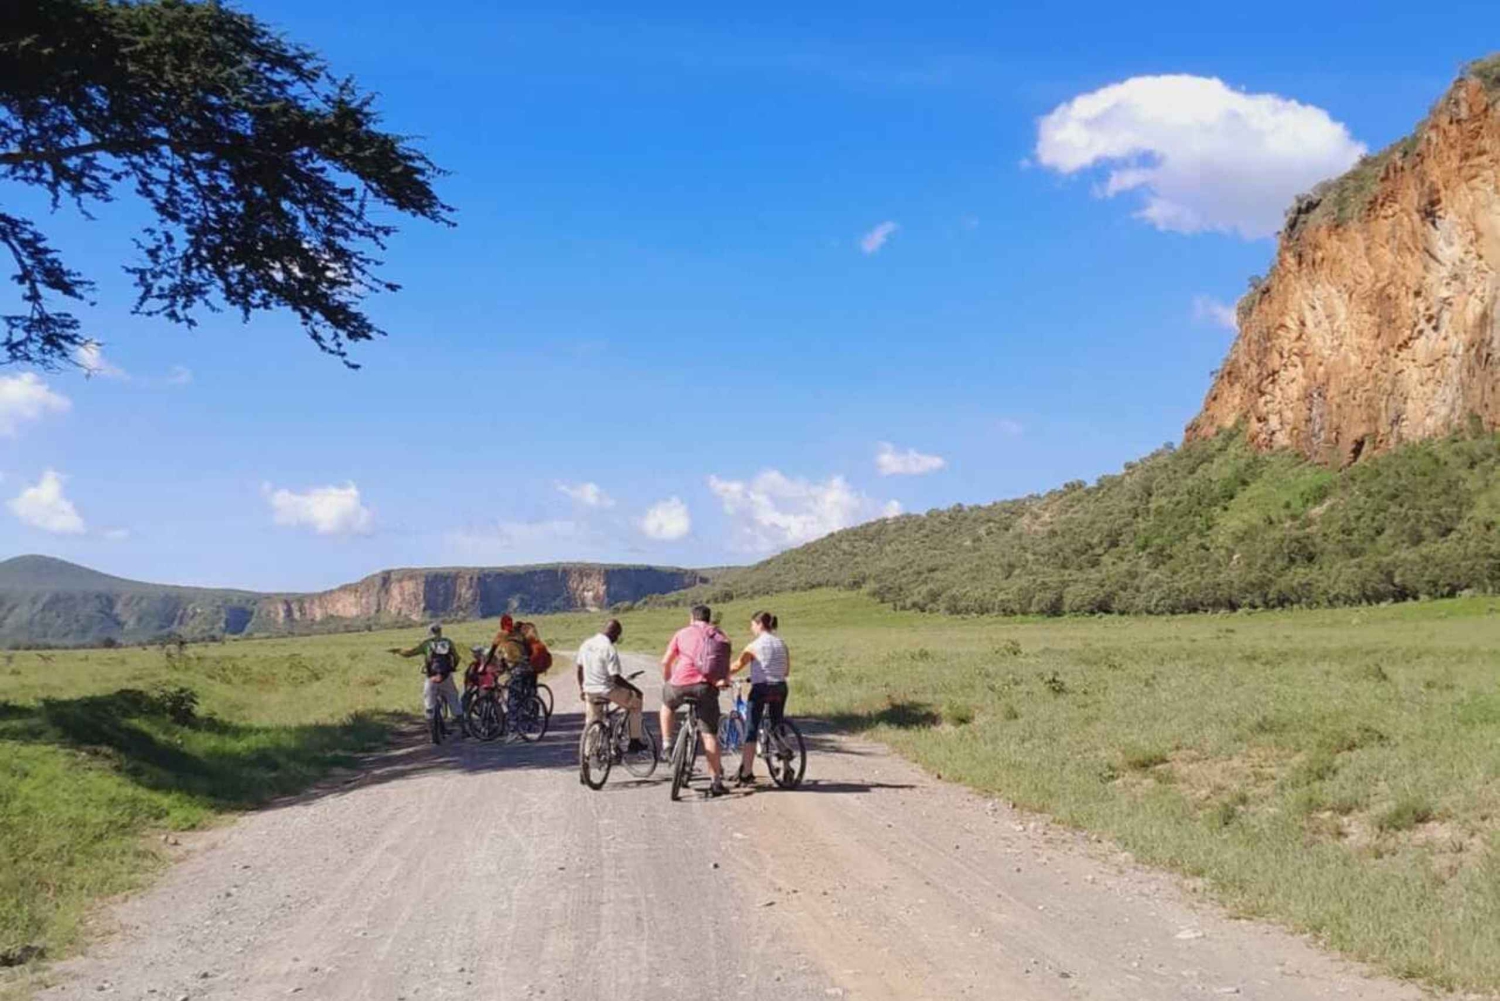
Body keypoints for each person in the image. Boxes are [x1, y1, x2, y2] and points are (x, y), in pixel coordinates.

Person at [660, 604, 731, 797]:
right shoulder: (719, 635)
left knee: (667, 705)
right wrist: (723, 681)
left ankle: (666, 744)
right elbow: (724, 664)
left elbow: (665, 662)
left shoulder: (682, 633)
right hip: (706, 687)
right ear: (709, 618)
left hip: (679, 684)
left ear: (692, 617)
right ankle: (715, 782)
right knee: (709, 735)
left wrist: (668, 680)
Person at [727, 611, 790, 785]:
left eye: (752, 624)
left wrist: (722, 674)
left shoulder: (754, 646)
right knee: (778, 724)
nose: (751, 628)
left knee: (751, 728)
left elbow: (737, 666)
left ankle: (747, 771)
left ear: (759, 624)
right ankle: (787, 766)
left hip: (762, 688)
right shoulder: (782, 643)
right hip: (780, 687)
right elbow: (786, 671)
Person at [575, 619, 647, 755]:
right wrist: (634, 689)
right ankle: (634, 741)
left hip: (589, 691)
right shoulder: (609, 648)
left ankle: (588, 755)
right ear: (614, 633)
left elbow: (579, 669)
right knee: (636, 703)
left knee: (592, 721)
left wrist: (582, 689)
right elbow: (615, 678)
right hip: (607, 690)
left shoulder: (586, 644)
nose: (617, 639)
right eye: (617, 635)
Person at [389, 622, 466, 738]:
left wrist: (398, 651)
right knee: (454, 700)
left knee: (429, 705)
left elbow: (410, 653)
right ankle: (464, 730)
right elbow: (457, 657)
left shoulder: (427, 644)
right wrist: (452, 668)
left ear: (430, 632)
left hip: (431, 678)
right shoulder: (448, 642)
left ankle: (432, 734)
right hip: (446, 677)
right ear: (440, 631)